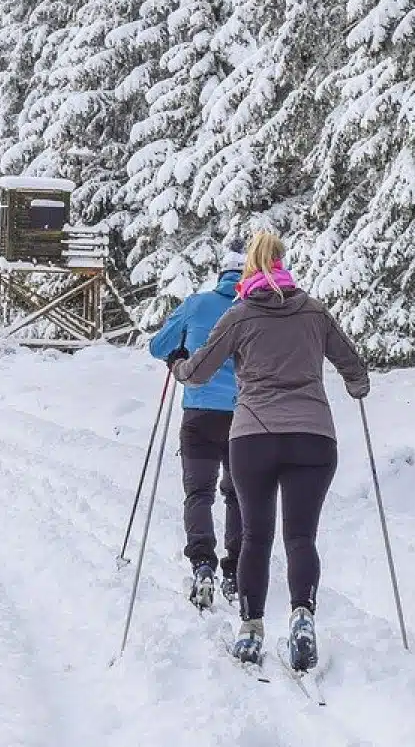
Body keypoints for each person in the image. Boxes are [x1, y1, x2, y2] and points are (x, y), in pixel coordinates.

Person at [170, 230, 370, 673]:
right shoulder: (315, 312)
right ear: (283, 264)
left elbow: (199, 371)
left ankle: (251, 629)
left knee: (257, 536)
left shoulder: (239, 316)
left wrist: (178, 366)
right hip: (314, 437)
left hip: (253, 437)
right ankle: (302, 615)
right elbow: (353, 366)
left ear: (249, 270)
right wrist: (357, 386)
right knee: (301, 537)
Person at [146, 246, 247, 611]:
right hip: (244, 416)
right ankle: (235, 570)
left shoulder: (197, 304)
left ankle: (202, 563)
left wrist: (178, 357)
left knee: (199, 494)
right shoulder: (255, 309)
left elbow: (158, 346)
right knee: (238, 496)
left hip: (200, 412)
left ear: (221, 274)